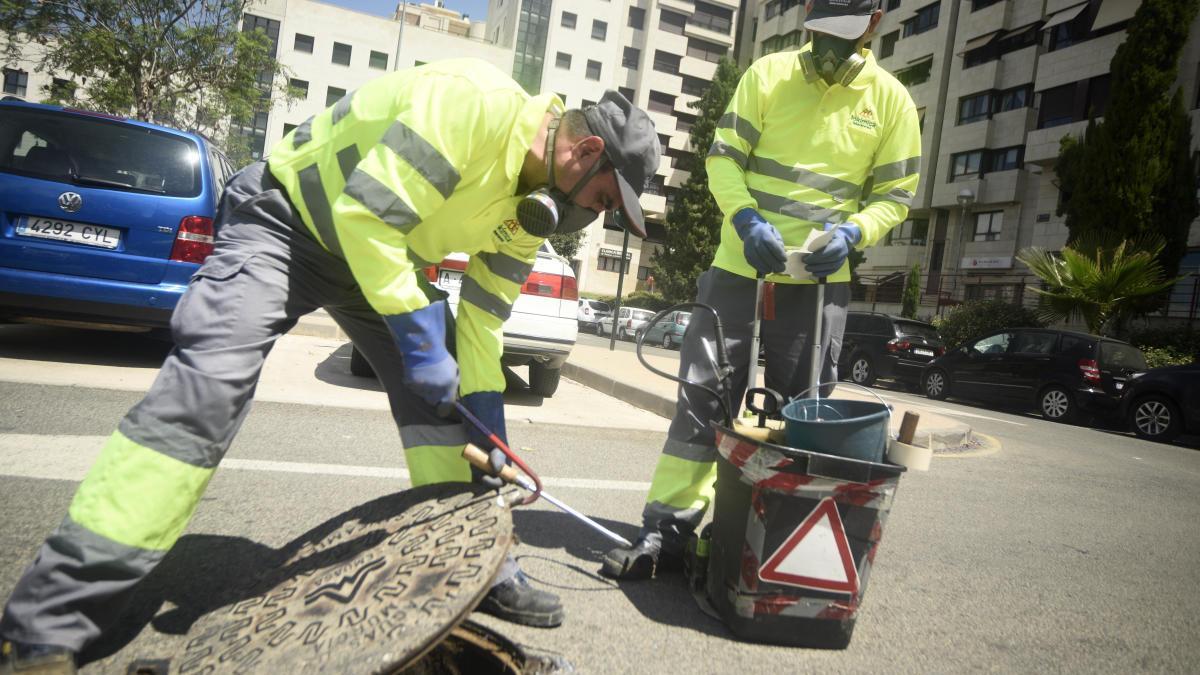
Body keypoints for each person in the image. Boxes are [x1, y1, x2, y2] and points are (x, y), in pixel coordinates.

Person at [0, 59, 660, 673]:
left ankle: (472, 566)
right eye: (602, 201)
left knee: (446, 408)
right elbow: (365, 214)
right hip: (286, 223)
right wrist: (419, 337)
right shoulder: (472, 106)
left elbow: (483, 323)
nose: (591, 218)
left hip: (379, 256)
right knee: (207, 392)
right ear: (586, 152)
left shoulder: (533, 209)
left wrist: (485, 426)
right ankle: (50, 617)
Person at [601, 0, 921, 580]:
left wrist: (854, 233)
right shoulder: (768, 75)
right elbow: (724, 159)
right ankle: (666, 531)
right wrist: (745, 219)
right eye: (819, 33)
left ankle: (781, 540)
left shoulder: (892, 102)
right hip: (738, 267)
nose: (826, 48)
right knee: (704, 398)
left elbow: (895, 196)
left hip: (820, 284)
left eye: (841, 36)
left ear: (874, 22)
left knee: (805, 414)